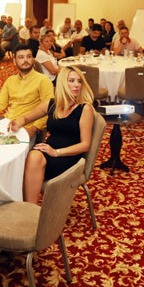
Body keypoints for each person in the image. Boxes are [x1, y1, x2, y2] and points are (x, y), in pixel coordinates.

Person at [9, 67, 94, 204]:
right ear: (62, 83)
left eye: (79, 81)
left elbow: (85, 145)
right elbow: (26, 118)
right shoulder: (52, 104)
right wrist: (18, 122)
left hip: (68, 155)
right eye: (71, 81)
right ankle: (30, 207)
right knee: (31, 157)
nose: (76, 85)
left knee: (29, 161)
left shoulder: (85, 109)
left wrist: (56, 152)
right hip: (49, 150)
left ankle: (28, 207)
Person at [0, 45, 54, 140]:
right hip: (8, 123)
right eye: (21, 57)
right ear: (14, 61)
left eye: (29, 56)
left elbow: (48, 109)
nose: (25, 60)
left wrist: (33, 129)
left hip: (27, 127)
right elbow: (0, 103)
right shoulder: (10, 80)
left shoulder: (43, 80)